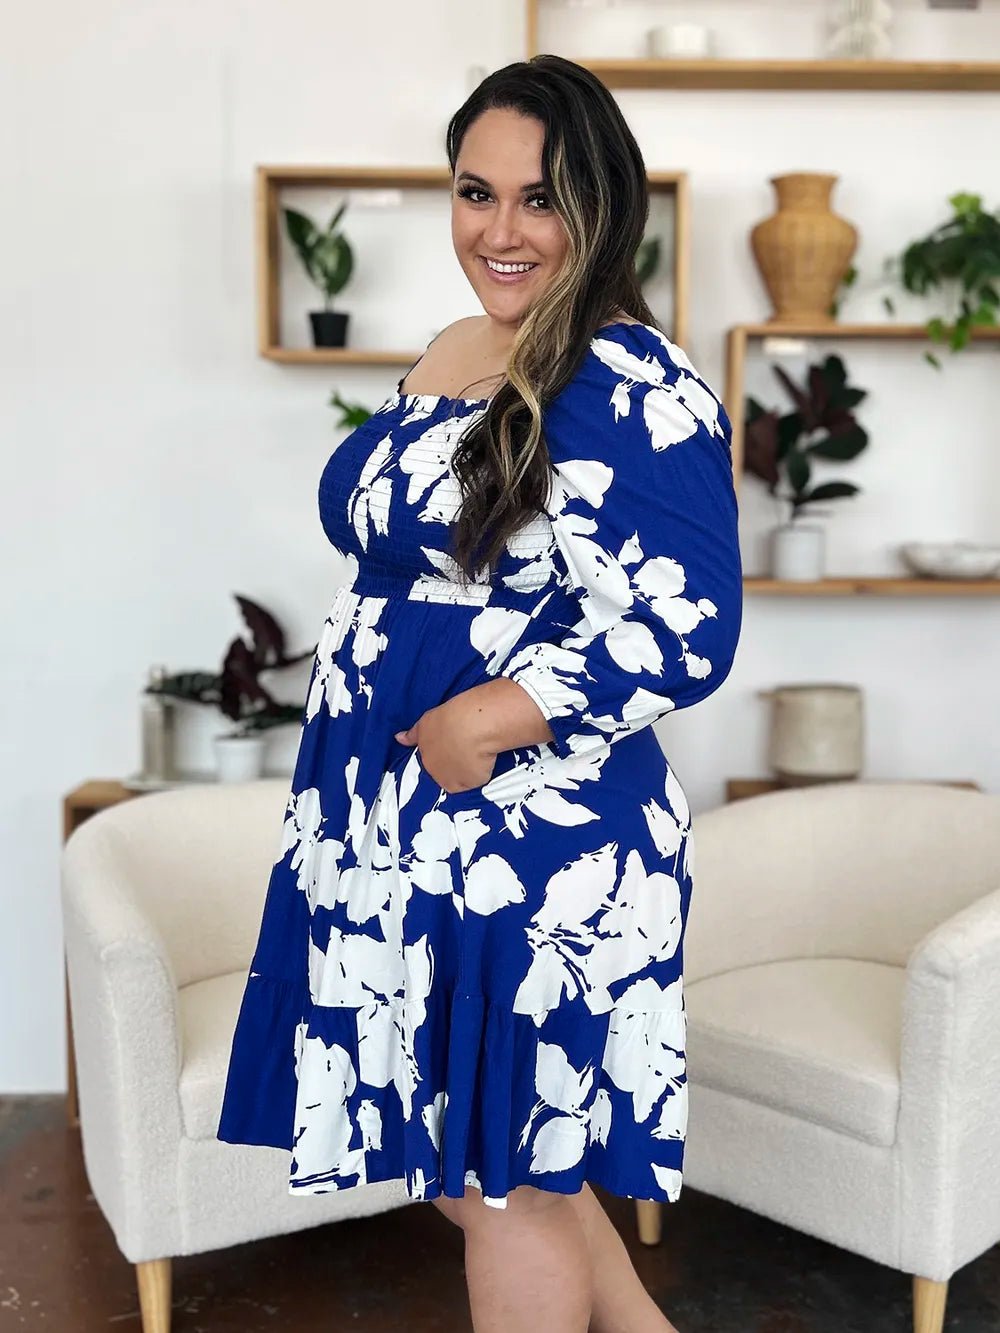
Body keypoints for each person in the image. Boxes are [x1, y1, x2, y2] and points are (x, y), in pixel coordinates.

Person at [218, 52, 743, 1333]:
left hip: (531, 840)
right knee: (498, 1169)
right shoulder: (463, 345)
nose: (499, 230)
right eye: (475, 191)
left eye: (540, 198)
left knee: (501, 1180)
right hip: (395, 827)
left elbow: (690, 626)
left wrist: (485, 717)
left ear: (602, 207)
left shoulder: (629, 383)